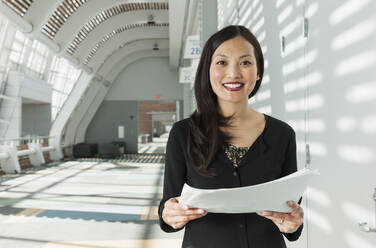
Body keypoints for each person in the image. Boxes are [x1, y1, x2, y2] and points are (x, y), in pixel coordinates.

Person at [158, 25, 304, 248]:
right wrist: (169, 215)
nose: (234, 73)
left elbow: (290, 211)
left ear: (258, 72)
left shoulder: (282, 134)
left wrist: (293, 223)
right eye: (222, 62)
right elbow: (169, 204)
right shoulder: (183, 133)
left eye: (245, 62)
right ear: (208, 70)